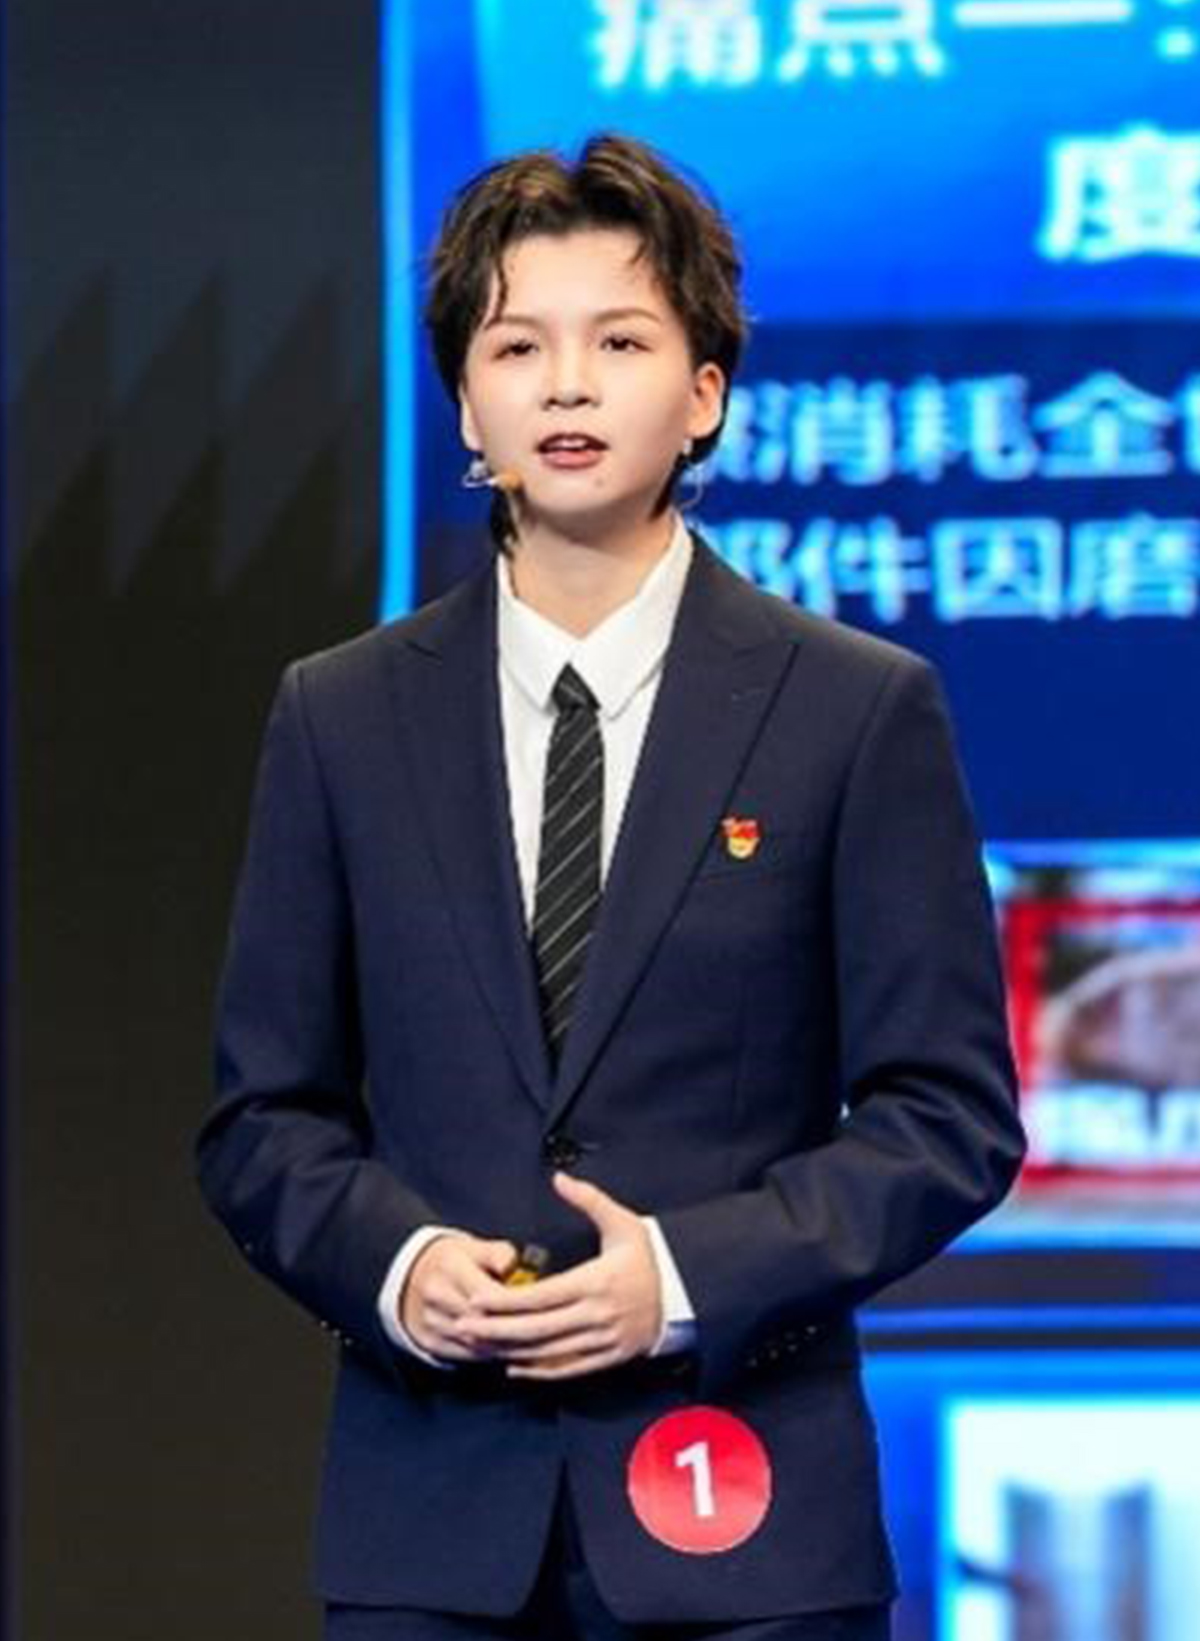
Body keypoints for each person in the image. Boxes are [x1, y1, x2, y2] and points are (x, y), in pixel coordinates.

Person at [196, 133, 1025, 1640]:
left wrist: (686, 1275)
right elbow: (263, 1118)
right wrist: (400, 1266)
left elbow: (947, 1117)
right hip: (432, 1529)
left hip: (746, 1521)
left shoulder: (852, 708)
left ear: (704, 392)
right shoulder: (342, 715)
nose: (567, 387)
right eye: (519, 346)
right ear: (468, 403)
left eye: (621, 342)